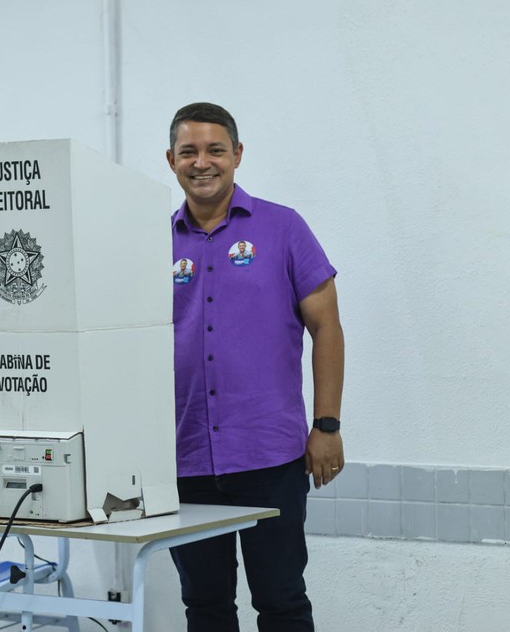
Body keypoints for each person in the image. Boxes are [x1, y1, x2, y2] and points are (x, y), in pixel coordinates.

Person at [166, 102, 345, 632]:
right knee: (205, 607)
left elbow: (327, 329)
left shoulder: (283, 228)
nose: (203, 162)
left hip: (270, 456)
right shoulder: (152, 242)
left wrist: (327, 425)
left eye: (215, 150)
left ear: (237, 155)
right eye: (189, 151)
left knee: (282, 602)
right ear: (170, 160)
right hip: (185, 459)